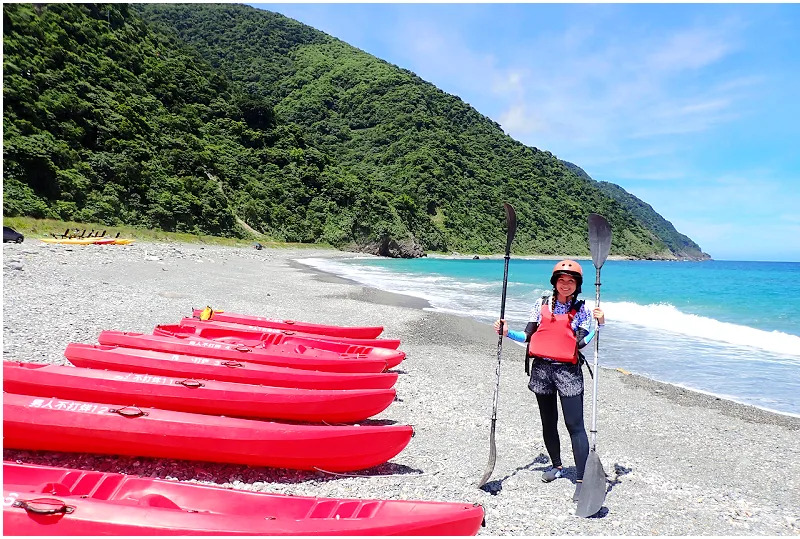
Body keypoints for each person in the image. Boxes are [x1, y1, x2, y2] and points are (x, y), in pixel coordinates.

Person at [494, 259, 605, 502]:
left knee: (575, 425)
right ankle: (556, 466)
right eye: (562, 280)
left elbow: (581, 343)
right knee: (548, 422)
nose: (566, 285)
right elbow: (527, 336)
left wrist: (599, 325)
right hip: (542, 370)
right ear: (555, 282)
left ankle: (582, 480)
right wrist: (506, 332)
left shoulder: (582, 309)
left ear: (577, 285)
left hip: (568, 371)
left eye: (571, 281)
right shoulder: (541, 304)